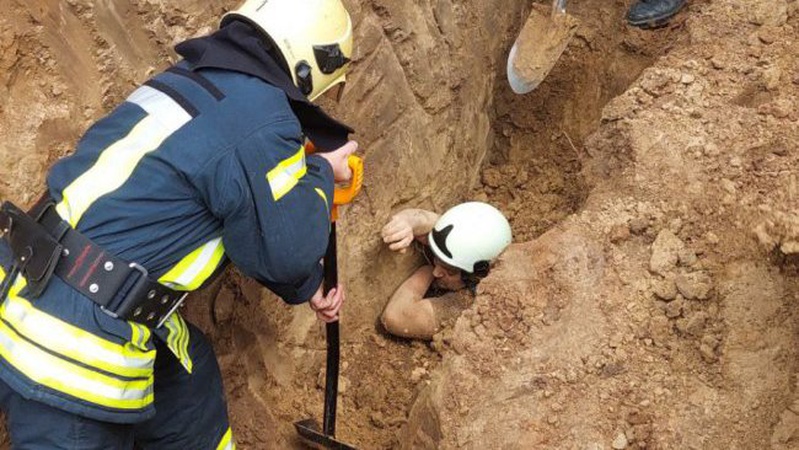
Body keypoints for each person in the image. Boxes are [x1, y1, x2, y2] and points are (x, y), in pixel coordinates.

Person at [0, 0, 356, 448]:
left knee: (190, 384)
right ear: (314, 67)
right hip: (67, 348)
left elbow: (250, 214)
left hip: (25, 280)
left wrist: (310, 285)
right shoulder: (263, 117)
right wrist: (322, 173)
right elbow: (285, 252)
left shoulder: (189, 80)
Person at [380, 202, 512, 340]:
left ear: (477, 277)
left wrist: (425, 271)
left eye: (450, 271)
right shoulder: (482, 239)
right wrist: (407, 221)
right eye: (437, 260)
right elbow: (435, 224)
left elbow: (395, 317)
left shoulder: (469, 304)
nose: (436, 273)